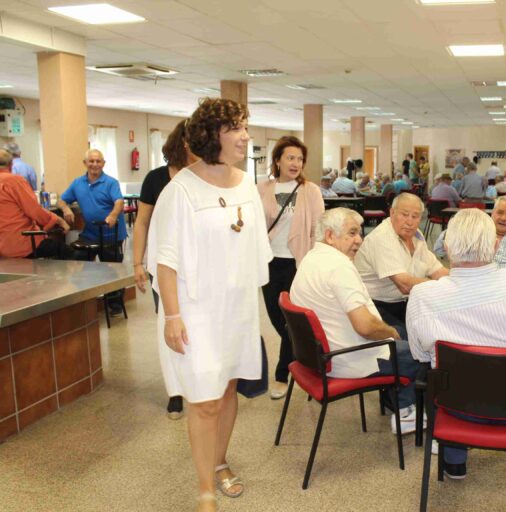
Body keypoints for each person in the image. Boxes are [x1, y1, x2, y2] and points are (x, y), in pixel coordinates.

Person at [147, 98, 271, 512]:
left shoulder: (246, 183)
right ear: (211, 134)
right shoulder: (179, 189)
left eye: (244, 126)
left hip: (235, 305)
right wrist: (173, 316)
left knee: (230, 385)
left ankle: (219, 462)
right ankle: (204, 488)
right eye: (236, 127)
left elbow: (253, 247)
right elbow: (165, 259)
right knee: (204, 399)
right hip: (196, 309)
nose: (245, 136)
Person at [407, 208, 506, 479]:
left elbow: (420, 354)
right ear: (496, 244)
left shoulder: (424, 296)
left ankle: (455, 461)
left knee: (441, 373)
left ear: (445, 247)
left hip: (459, 409)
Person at [291, 207, 422, 433]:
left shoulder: (310, 258)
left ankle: (398, 403)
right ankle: (407, 412)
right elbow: (365, 327)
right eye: (352, 233)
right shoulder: (338, 266)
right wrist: (391, 333)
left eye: (359, 233)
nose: (359, 240)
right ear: (330, 236)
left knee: (402, 339)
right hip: (347, 359)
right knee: (422, 353)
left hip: (319, 356)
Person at [133, 119, 198, 421]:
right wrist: (137, 263)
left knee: (196, 328)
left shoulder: (206, 177)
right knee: (169, 326)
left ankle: (197, 381)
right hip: (164, 267)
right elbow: (142, 223)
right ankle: (175, 391)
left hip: (197, 267)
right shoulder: (157, 179)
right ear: (183, 142)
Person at [258, 135, 325, 400]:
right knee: (277, 318)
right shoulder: (262, 188)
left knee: (290, 318)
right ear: (278, 160)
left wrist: (316, 261)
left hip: (298, 262)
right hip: (268, 261)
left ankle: (281, 375)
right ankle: (305, 358)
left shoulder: (310, 190)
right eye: (290, 157)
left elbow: (318, 228)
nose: (296, 163)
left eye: (299, 159)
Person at [355, 193, 448, 328]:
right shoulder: (382, 238)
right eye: (404, 215)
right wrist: (444, 285)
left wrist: (461, 279)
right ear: (392, 213)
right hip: (377, 308)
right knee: (417, 341)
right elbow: (405, 285)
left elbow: (437, 270)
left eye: (415, 216)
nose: (409, 221)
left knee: (444, 327)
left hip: (407, 303)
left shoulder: (417, 236)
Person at [59, 149, 127, 316]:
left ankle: (115, 305)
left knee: (112, 270)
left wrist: (112, 215)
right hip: (89, 233)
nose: (94, 164)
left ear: (103, 164)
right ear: (85, 163)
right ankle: (85, 301)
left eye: (98, 161)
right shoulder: (77, 183)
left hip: (111, 234)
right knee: (78, 264)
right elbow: (62, 200)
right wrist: (66, 208)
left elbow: (119, 202)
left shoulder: (111, 182)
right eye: (91, 161)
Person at [0, 149, 71, 258]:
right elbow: (34, 210)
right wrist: (57, 219)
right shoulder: (13, 181)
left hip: (3, 250)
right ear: (10, 164)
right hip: (21, 243)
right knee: (68, 254)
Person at [433, 195, 506, 269]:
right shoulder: (476, 232)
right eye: (500, 212)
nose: (503, 218)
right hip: (474, 287)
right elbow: (438, 250)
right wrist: (459, 228)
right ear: (492, 214)